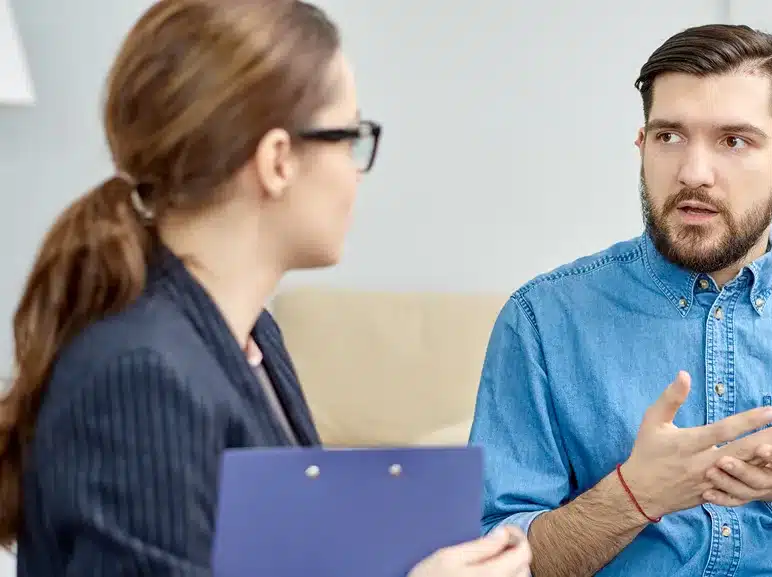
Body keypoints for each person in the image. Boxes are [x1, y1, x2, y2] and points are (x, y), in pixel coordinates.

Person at [0, 1, 530, 576]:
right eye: (350, 138)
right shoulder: (140, 375)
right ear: (278, 160)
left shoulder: (253, 336)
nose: (357, 171)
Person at [468, 23, 772, 577]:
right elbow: (489, 559)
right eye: (669, 136)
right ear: (641, 145)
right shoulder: (540, 321)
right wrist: (634, 495)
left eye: (733, 141)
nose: (694, 173)